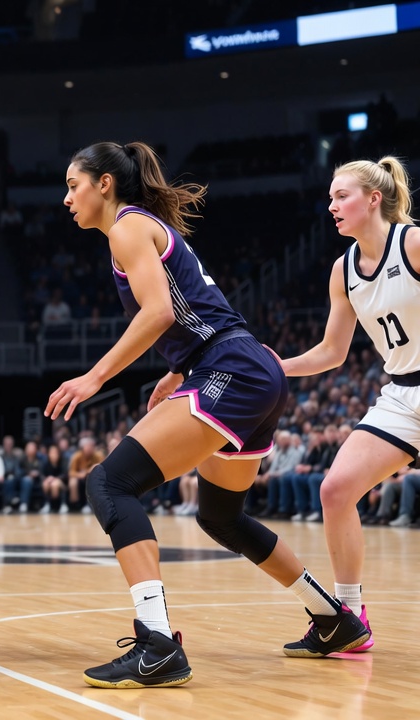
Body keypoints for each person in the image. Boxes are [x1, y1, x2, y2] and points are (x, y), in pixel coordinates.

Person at [49, 141, 367, 689]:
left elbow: (160, 311)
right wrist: (177, 371)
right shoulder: (135, 229)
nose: (65, 198)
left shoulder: (127, 226)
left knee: (110, 483)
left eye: (73, 185)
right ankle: (332, 618)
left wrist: (94, 376)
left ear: (104, 183)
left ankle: (156, 643)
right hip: (242, 365)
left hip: (233, 369)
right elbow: (193, 313)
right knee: (221, 517)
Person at [277, 155, 416, 654]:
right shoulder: (343, 270)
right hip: (402, 393)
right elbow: (333, 353)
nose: (331, 205)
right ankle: (348, 617)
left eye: (342, 196)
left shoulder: (414, 243)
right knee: (335, 490)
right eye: (331, 197)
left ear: (373, 199)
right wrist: (279, 365)